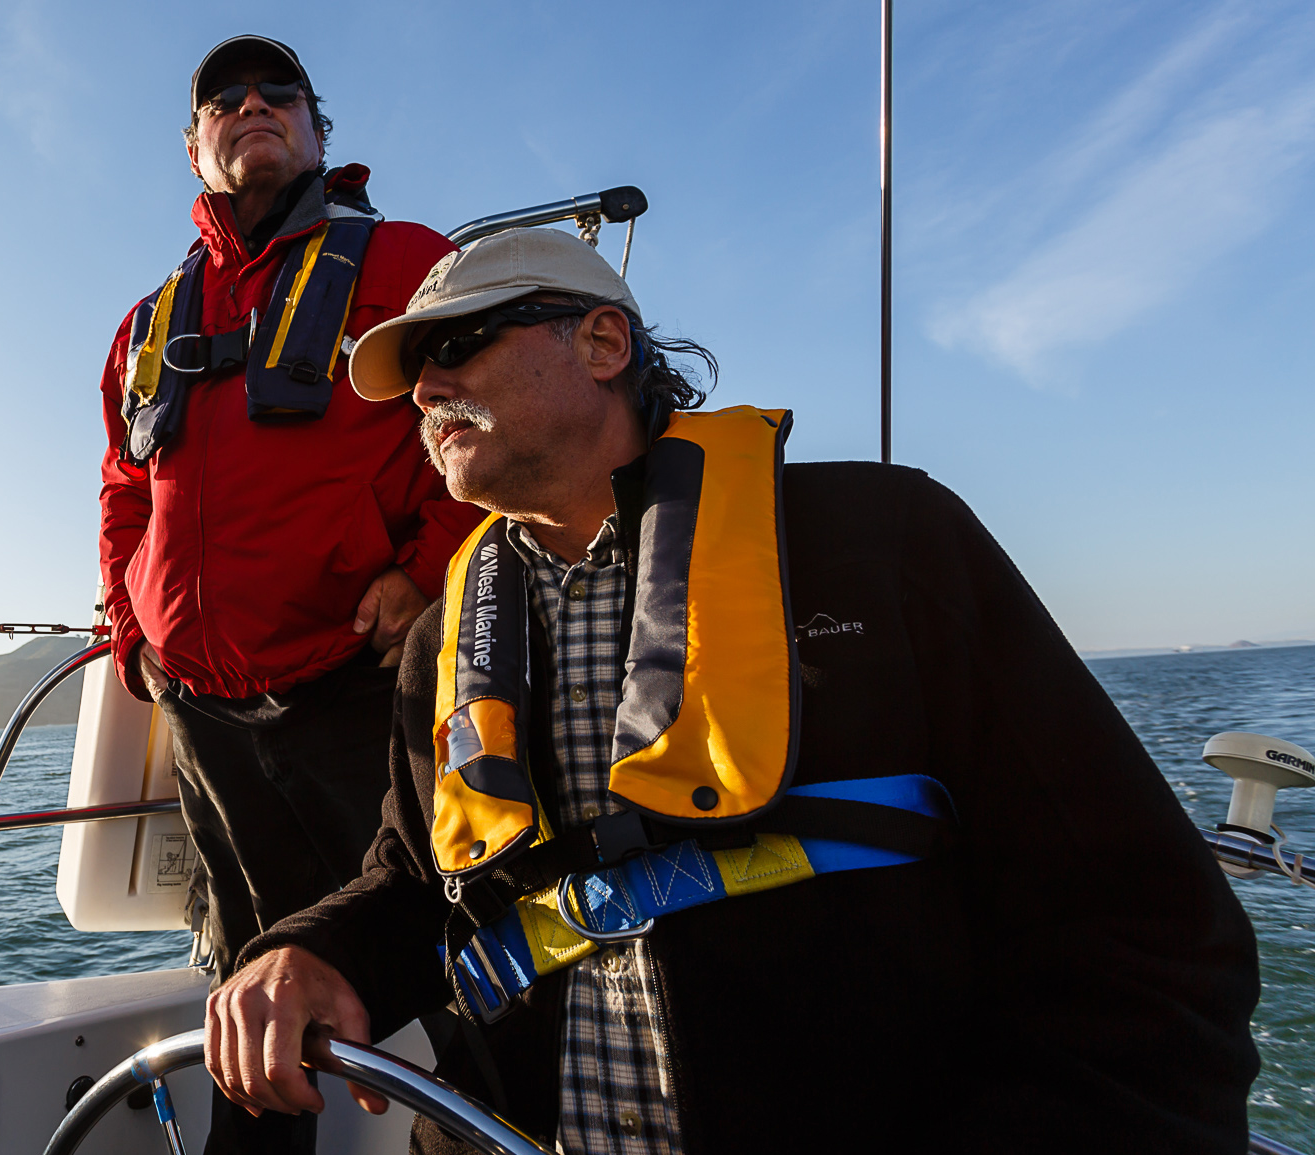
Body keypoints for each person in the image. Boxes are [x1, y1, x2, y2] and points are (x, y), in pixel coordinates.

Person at [202, 226, 1262, 1154]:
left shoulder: (885, 543)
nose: (427, 390)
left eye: (456, 346)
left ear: (604, 343)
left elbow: (1148, 935)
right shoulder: (443, 637)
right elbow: (412, 881)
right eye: (415, 375)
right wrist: (309, 950)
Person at [94, 35, 482, 1154]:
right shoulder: (146, 324)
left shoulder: (409, 262)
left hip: (370, 692)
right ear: (194, 145)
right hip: (205, 712)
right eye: (225, 97)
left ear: (319, 129)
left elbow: (481, 419)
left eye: (280, 93)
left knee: (458, 958)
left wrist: (431, 568)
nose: (251, 105)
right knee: (251, 984)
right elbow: (124, 490)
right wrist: (135, 638)